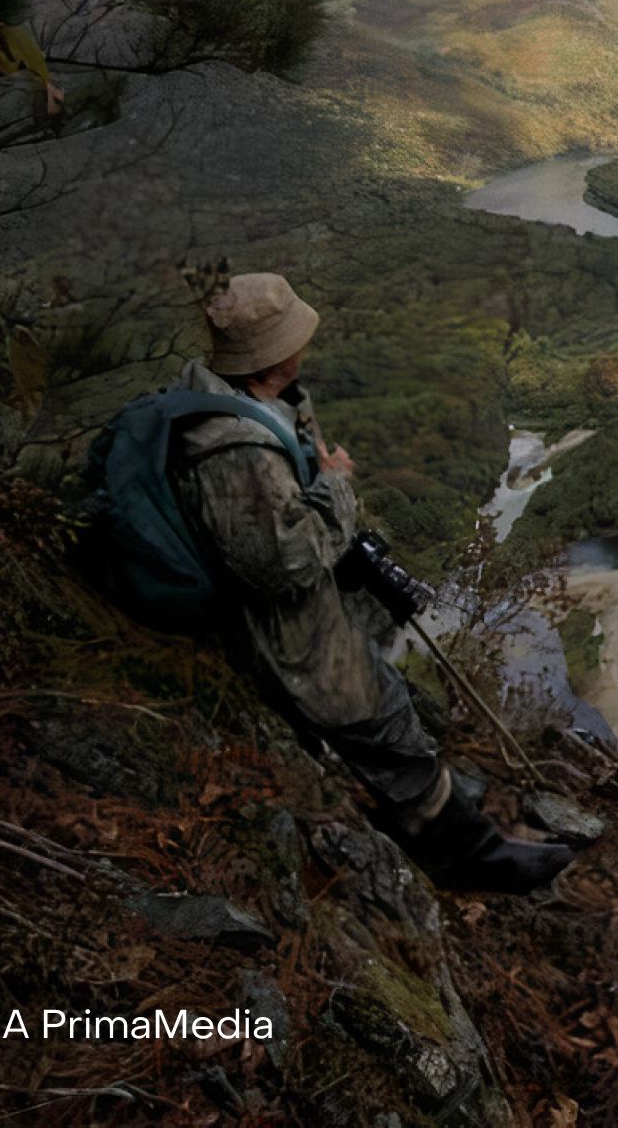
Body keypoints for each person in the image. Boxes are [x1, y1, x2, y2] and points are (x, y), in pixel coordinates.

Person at [173, 272, 574, 895]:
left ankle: (434, 797)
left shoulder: (244, 403)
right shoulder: (233, 446)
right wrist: (335, 483)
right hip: (279, 632)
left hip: (297, 616)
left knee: (390, 696)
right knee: (381, 711)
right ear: (276, 353)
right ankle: (466, 857)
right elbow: (281, 563)